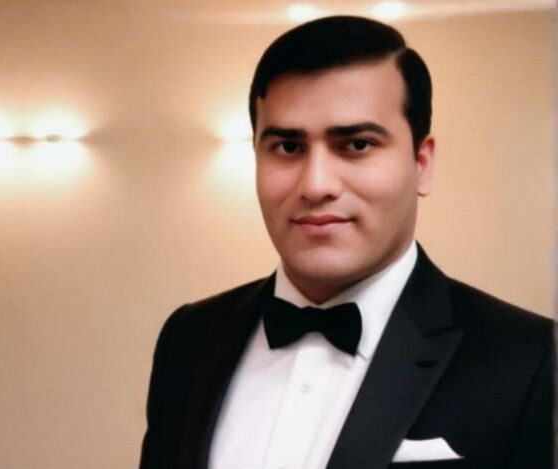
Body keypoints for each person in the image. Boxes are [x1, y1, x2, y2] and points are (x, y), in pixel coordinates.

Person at [139, 16, 553, 469]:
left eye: (356, 145)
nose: (316, 185)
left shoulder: (532, 359)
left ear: (421, 163)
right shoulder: (188, 338)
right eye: (288, 147)